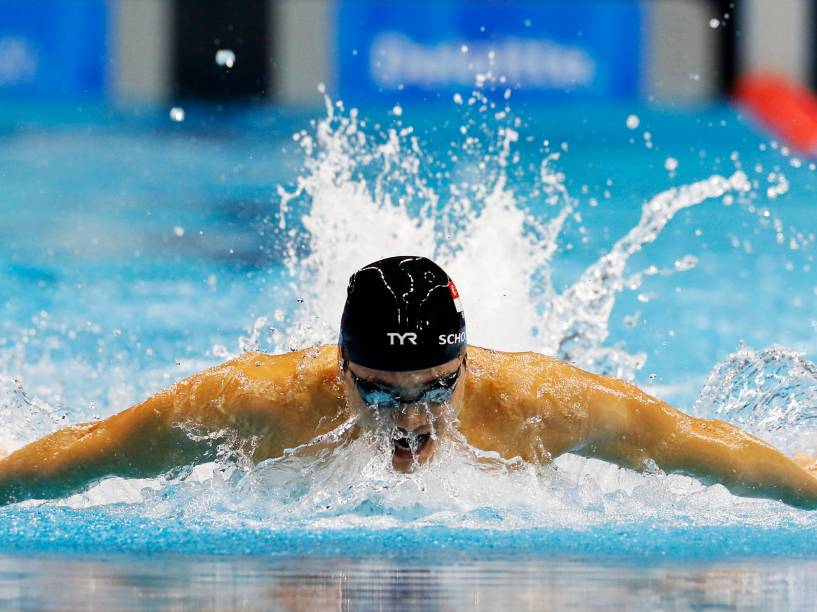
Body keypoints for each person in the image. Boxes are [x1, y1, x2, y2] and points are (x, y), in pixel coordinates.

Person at [1, 255, 817, 508]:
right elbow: (94, 450)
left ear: (466, 363)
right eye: (380, 393)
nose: (411, 420)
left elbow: (706, 449)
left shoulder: (543, 405)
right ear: (341, 366)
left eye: (436, 387)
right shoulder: (254, 405)